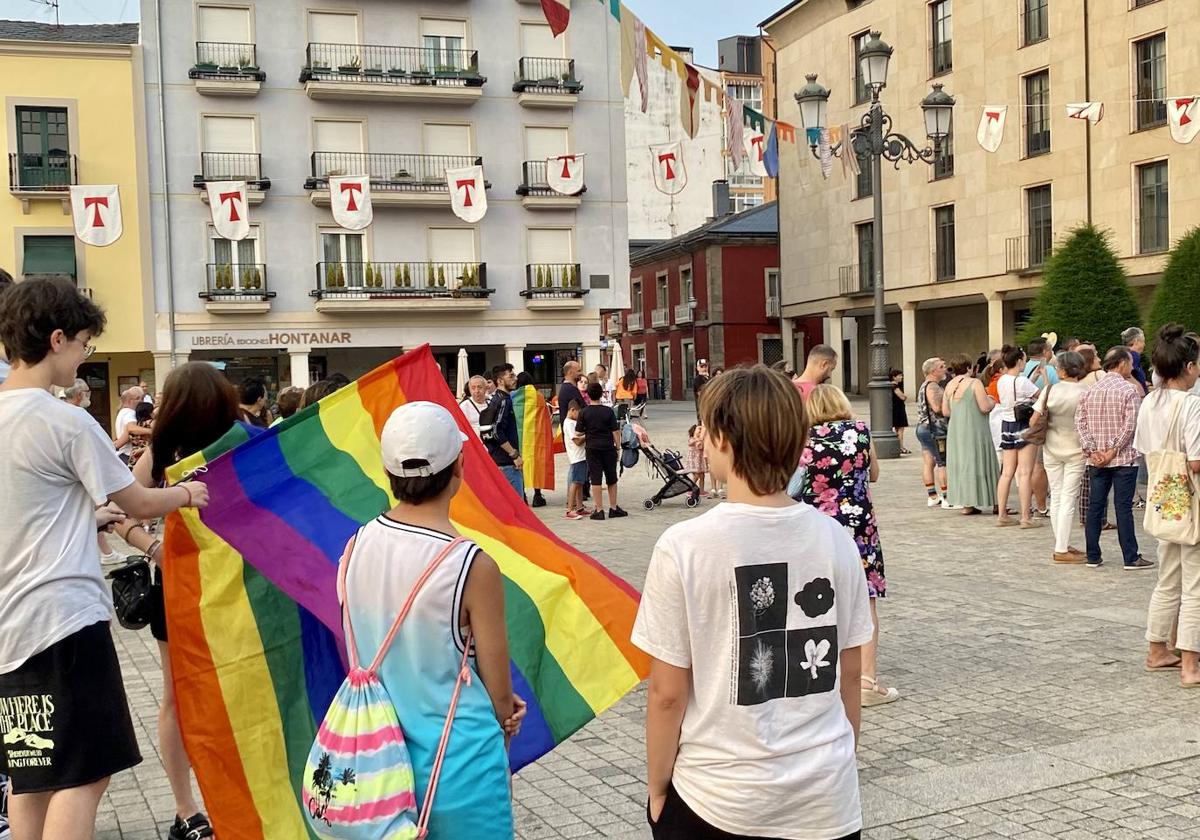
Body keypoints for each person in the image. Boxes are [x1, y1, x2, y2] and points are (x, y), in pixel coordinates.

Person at [0, 277, 209, 840]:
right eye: (87, 346)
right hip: (64, 621)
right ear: (59, 339)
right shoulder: (64, 421)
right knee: (87, 776)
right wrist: (187, 493)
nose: (86, 359)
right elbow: (137, 500)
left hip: (10, 629)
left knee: (31, 774)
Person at [632, 365, 872, 840]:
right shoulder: (836, 538)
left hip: (718, 796)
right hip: (825, 798)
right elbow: (849, 671)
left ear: (722, 439)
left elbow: (666, 694)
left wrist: (657, 787)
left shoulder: (685, 545)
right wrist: (839, 758)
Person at [343, 401, 525, 837]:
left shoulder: (355, 545)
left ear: (389, 474)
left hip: (379, 759)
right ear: (459, 470)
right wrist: (505, 716)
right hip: (458, 762)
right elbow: (498, 688)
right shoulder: (471, 563)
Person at [113, 361, 240, 840]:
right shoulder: (240, 445)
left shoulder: (163, 452)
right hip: (224, 590)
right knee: (196, 696)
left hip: (186, 588)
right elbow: (122, 508)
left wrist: (150, 546)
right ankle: (196, 808)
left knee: (175, 698)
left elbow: (121, 508)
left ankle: (189, 810)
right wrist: (154, 546)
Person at [795, 384, 896, 709]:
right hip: (859, 529)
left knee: (814, 598)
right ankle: (866, 680)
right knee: (866, 602)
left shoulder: (803, 437)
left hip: (815, 528)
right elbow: (876, 475)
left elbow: (792, 483)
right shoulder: (861, 431)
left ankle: (817, 673)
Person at [1134, 325, 1200, 683]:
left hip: (1163, 497)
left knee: (1167, 579)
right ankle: (1190, 664)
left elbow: (1145, 449)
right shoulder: (1191, 404)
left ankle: (1157, 648)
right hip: (1191, 497)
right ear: (1188, 366)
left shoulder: (1150, 400)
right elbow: (1195, 460)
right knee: (1196, 583)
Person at [1075, 347, 1151, 570]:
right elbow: (1130, 426)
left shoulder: (1089, 391)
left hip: (1096, 460)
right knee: (1123, 507)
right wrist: (1112, 450)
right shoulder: (1129, 391)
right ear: (1121, 364)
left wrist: (1093, 450)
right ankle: (1130, 556)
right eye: (1129, 363)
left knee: (1095, 506)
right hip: (1123, 459)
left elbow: (1080, 424)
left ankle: (1092, 555)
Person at [1031, 351, 1089, 563]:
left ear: (1062, 370)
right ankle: (1061, 547)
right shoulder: (1085, 392)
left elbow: (1034, 420)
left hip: (1051, 447)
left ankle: (1060, 543)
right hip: (1076, 449)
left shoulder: (1050, 390)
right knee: (1068, 497)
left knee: (1056, 495)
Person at [942, 354, 998, 516]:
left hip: (956, 431)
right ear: (969, 367)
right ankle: (995, 502)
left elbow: (945, 411)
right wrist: (992, 400)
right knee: (982, 460)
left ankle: (967, 503)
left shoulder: (949, 385)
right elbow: (984, 407)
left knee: (963, 463)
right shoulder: (975, 383)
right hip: (975, 428)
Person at [994, 346, 1041, 527]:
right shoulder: (1023, 382)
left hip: (1006, 424)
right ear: (1020, 361)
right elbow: (1040, 396)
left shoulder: (1002, 380)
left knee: (1007, 472)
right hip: (1023, 425)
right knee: (1025, 473)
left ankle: (1002, 514)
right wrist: (1042, 379)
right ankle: (1025, 517)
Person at [574, 382, 626, 520]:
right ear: (602, 394)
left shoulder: (584, 412)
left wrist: (589, 432)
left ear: (588, 395)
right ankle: (614, 507)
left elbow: (578, 432)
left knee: (596, 478)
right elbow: (615, 431)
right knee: (611, 477)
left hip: (592, 448)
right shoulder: (608, 411)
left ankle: (599, 509)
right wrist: (618, 447)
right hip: (608, 447)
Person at [484, 364, 524, 500]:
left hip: (499, 460)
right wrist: (513, 454)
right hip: (506, 462)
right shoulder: (503, 401)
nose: (515, 379)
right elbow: (496, 431)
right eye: (511, 376)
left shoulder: (497, 399)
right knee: (518, 507)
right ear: (500, 381)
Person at [915, 357, 949, 507]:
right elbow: (937, 408)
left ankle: (932, 496)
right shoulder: (933, 386)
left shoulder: (924, 385)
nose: (945, 369)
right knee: (942, 463)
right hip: (936, 429)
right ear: (933, 371)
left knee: (928, 461)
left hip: (923, 427)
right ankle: (947, 497)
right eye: (942, 366)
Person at [514, 372, 547, 507]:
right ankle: (537, 495)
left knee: (520, 466)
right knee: (536, 465)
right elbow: (545, 417)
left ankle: (523, 495)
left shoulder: (513, 397)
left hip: (519, 437)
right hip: (536, 437)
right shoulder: (538, 397)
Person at [562, 400, 589, 519]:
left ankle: (579, 507)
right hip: (577, 457)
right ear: (572, 410)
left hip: (581, 456)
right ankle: (569, 509)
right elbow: (577, 441)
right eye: (579, 413)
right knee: (576, 482)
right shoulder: (568, 423)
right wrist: (589, 434)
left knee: (580, 482)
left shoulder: (573, 422)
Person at [112, 386, 149, 463]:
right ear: (130, 400)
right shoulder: (130, 413)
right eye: (139, 398)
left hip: (124, 454)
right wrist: (153, 431)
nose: (142, 401)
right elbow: (131, 429)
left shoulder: (123, 412)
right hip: (130, 455)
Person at [459, 375, 492, 439]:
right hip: (474, 443)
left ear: (485, 388)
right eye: (473, 388)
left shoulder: (491, 402)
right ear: (470, 390)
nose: (476, 391)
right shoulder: (464, 406)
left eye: (479, 387)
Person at [1123, 326, 1150, 395]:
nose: (1144, 344)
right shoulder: (1134, 356)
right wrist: (1140, 387)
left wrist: (1143, 383)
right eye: (1143, 341)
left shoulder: (1124, 354)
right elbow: (1127, 376)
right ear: (1136, 341)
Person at [684, 423, 708, 497]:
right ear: (694, 431)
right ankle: (689, 489)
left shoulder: (701, 440)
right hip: (694, 461)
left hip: (700, 461)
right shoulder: (692, 439)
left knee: (702, 476)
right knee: (696, 476)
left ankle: (701, 490)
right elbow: (690, 443)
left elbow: (701, 447)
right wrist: (697, 439)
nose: (701, 431)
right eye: (699, 429)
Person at [890, 369, 910, 455]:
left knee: (898, 428)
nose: (901, 377)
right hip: (898, 409)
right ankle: (901, 447)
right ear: (894, 377)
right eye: (899, 376)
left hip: (895, 408)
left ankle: (899, 446)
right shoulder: (895, 386)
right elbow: (902, 397)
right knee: (900, 429)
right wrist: (905, 396)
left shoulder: (892, 386)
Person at [557, 361, 583, 426]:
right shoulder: (570, 389)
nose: (581, 373)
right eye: (578, 371)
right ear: (570, 372)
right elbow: (584, 409)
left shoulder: (565, 388)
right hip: (573, 431)